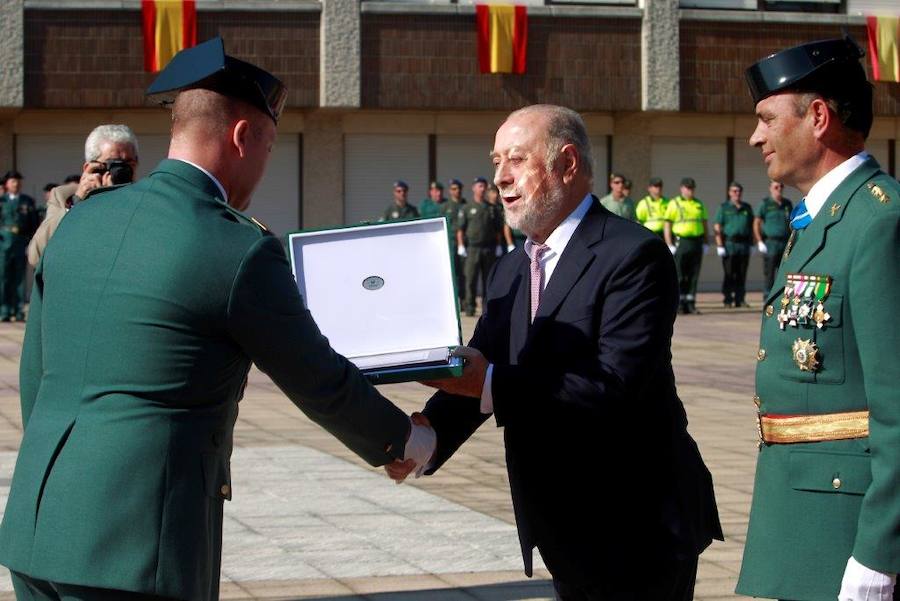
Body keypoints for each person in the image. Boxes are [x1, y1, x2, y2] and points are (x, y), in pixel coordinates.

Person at [0, 37, 435, 601]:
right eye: (271, 147)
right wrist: (405, 441)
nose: (264, 165)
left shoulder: (81, 222)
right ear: (242, 136)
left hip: (36, 529)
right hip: (135, 546)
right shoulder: (235, 248)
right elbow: (317, 379)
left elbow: (37, 377)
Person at [388, 104, 722, 600]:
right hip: (562, 526)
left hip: (637, 525)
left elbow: (613, 385)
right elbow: (480, 365)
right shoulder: (511, 268)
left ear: (567, 164)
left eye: (516, 160)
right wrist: (424, 439)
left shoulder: (634, 255)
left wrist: (487, 382)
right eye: (496, 160)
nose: (499, 177)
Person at [736, 36, 900, 601]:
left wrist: (881, 554)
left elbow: (898, 408)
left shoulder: (878, 223)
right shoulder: (827, 217)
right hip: (805, 515)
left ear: (820, 117)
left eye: (766, 119)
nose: (756, 136)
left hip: (850, 529)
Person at [28, 124, 140, 267]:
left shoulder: (145, 198)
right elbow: (36, 256)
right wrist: (78, 202)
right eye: (113, 164)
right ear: (90, 168)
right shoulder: (65, 197)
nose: (121, 170)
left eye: (128, 163)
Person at [663, 178, 709, 315]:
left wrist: (706, 241)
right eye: (687, 188)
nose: (690, 191)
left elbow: (705, 223)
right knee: (680, 275)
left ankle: (691, 303)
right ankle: (679, 304)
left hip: (696, 242)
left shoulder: (698, 204)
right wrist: (669, 243)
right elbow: (667, 224)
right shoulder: (674, 203)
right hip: (681, 241)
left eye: (692, 188)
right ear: (681, 188)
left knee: (694, 274)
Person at [457, 177, 500, 316]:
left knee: (488, 279)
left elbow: (497, 229)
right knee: (470, 278)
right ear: (474, 188)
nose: (482, 189)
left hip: (488, 248)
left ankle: (486, 308)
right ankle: (470, 308)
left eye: (484, 186)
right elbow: (460, 230)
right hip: (472, 248)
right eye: (480, 186)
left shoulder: (491, 208)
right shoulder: (467, 208)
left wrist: (498, 245)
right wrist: (461, 246)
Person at [0, 171, 39, 321]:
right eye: (12, 181)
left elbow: (33, 223)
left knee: (19, 278)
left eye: (17, 181)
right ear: (7, 184)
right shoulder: (2, 201)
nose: (15, 184)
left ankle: (18, 310)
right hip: (3, 244)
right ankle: (4, 309)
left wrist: (30, 242)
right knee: (4, 277)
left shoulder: (27, 201)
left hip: (20, 242)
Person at [714, 181, 754, 308]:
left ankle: (740, 299)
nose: (737, 193)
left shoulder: (747, 208)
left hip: (743, 245)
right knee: (729, 273)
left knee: (742, 274)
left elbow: (751, 226)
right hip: (729, 244)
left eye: (739, 191)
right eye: (734, 191)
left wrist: (753, 244)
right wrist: (719, 245)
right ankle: (727, 299)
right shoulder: (724, 208)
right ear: (729, 193)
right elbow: (717, 226)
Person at [753, 180, 793, 298]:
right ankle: (768, 297)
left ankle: (782, 298)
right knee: (769, 272)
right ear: (770, 188)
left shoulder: (787, 204)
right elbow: (756, 223)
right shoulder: (765, 204)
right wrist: (759, 241)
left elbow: (792, 223)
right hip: (770, 242)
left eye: (781, 186)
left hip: (785, 242)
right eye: (776, 187)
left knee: (784, 272)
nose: (779, 189)